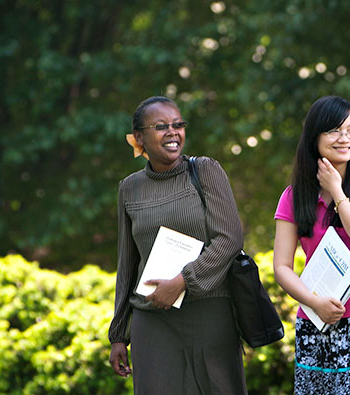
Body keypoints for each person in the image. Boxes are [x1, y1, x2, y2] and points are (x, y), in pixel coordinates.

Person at [107, 96, 247, 394]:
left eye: (177, 124)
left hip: (209, 312)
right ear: (139, 138)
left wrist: (183, 281)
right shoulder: (129, 188)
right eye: (161, 126)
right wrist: (119, 334)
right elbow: (127, 264)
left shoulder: (206, 171)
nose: (173, 132)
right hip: (153, 319)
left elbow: (230, 238)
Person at [272, 96, 350, 394]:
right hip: (314, 324)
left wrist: (336, 192)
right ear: (314, 137)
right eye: (334, 131)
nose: (345, 138)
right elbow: (281, 267)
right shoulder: (293, 196)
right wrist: (315, 304)